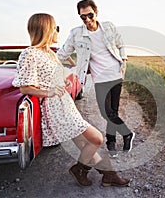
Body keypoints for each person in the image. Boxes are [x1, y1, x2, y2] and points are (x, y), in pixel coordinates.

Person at [12, 13, 130, 187]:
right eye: (55, 28)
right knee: (96, 139)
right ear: (46, 30)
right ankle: (79, 169)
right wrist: (50, 91)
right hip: (54, 108)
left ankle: (109, 175)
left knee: (84, 143)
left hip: (65, 103)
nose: (57, 32)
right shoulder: (30, 54)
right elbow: (24, 87)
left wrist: (63, 81)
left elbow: (52, 77)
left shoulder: (49, 53)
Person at [57, 0, 135, 158]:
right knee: (107, 113)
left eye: (90, 15)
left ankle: (111, 143)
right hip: (100, 78)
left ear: (96, 13)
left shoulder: (108, 27)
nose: (87, 20)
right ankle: (127, 134)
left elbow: (121, 45)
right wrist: (44, 58)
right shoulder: (76, 33)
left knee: (112, 111)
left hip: (115, 74)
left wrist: (124, 63)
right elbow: (63, 53)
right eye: (83, 17)